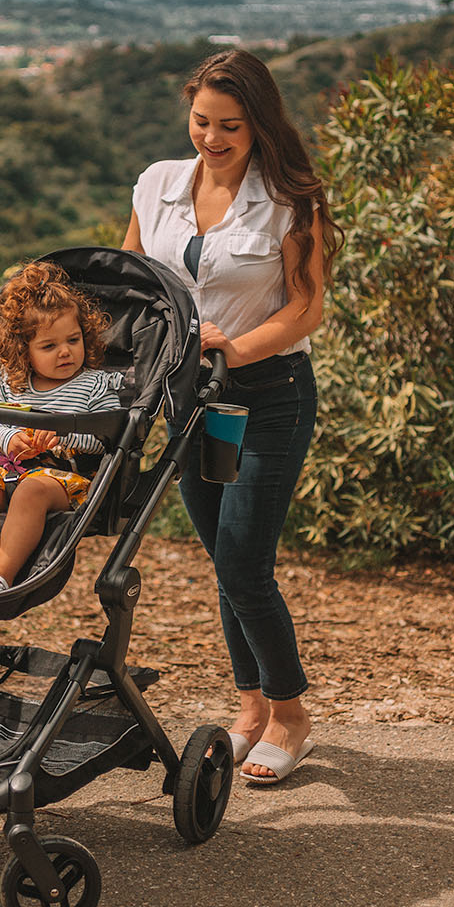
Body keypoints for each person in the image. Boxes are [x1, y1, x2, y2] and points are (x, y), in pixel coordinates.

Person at [122, 49, 342, 785]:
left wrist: (232, 350)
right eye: (201, 122)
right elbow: (134, 282)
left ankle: (292, 716)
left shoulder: (290, 199)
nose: (212, 139)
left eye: (230, 127)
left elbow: (305, 307)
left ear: (260, 124)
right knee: (225, 562)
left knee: (246, 563)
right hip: (190, 401)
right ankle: (250, 707)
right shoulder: (156, 184)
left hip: (268, 395)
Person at [0, 260, 122, 595]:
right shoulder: (11, 383)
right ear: (24, 350)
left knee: (32, 490)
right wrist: (10, 439)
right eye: (49, 346)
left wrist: (64, 437)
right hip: (6, 473)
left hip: (63, 483)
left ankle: (1, 574)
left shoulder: (95, 384)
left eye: (74, 339)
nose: (65, 352)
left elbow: (109, 434)